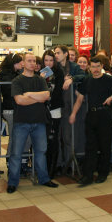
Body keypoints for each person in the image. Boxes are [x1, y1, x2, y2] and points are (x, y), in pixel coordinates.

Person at [69, 56, 112, 187]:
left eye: (98, 66)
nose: (95, 69)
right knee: (90, 146)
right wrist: (73, 113)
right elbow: (79, 98)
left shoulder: (108, 79)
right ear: (89, 67)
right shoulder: (87, 80)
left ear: (102, 66)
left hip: (105, 114)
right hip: (91, 114)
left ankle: (103, 173)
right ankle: (88, 176)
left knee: (104, 146)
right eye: (93, 67)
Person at [7, 52, 59, 193]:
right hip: (21, 122)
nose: (32, 63)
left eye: (34, 61)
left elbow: (46, 96)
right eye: (29, 61)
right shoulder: (17, 81)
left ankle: (44, 179)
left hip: (39, 121)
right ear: (23, 63)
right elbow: (19, 101)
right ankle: (12, 182)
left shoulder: (40, 80)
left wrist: (29, 94)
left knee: (41, 151)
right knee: (16, 153)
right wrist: (38, 97)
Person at [53, 45, 85, 176]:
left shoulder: (73, 67)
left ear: (65, 54)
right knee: (56, 137)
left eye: (58, 53)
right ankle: (57, 164)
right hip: (55, 106)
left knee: (67, 137)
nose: (56, 55)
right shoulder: (53, 68)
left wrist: (72, 78)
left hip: (68, 106)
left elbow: (83, 75)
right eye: (55, 53)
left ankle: (68, 163)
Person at [0, 53, 26, 170]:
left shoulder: (14, 74)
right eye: (20, 62)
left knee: (16, 136)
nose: (22, 64)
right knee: (14, 137)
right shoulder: (6, 76)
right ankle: (10, 161)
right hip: (10, 109)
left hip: (15, 108)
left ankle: (14, 161)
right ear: (14, 63)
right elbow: (11, 91)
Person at [40, 50, 64, 178]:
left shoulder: (59, 72)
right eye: (46, 60)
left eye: (51, 60)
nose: (48, 63)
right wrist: (41, 79)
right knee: (42, 140)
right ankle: (42, 169)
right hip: (42, 110)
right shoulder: (40, 73)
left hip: (54, 109)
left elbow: (58, 91)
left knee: (53, 140)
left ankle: (52, 170)